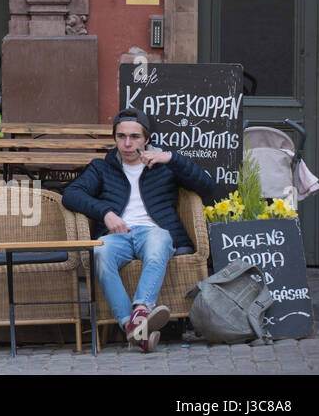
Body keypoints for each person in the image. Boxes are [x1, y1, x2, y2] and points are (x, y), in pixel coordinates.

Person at [62, 109, 216, 352]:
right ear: (114, 138)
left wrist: (172, 158)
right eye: (121, 136)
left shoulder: (164, 165)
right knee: (100, 253)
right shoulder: (102, 168)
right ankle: (135, 328)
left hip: (154, 233)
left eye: (134, 136)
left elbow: (207, 187)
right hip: (117, 236)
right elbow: (71, 194)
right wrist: (106, 213)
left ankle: (139, 311)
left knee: (158, 240)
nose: (127, 143)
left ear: (146, 139)